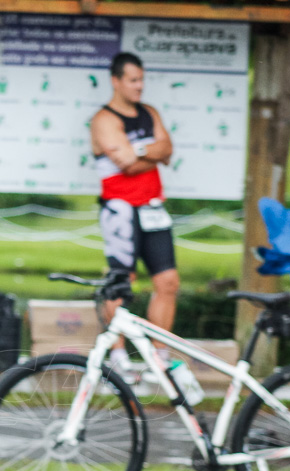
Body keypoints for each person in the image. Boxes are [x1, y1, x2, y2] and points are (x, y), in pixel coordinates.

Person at [90, 52, 177, 371]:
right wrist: (149, 152)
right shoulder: (104, 119)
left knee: (168, 281)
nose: (140, 86)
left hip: (153, 208)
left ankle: (159, 355)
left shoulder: (149, 112)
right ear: (116, 81)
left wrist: (138, 150)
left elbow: (167, 148)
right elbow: (123, 163)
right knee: (121, 282)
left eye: (142, 79)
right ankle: (116, 355)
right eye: (133, 80)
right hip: (120, 210)